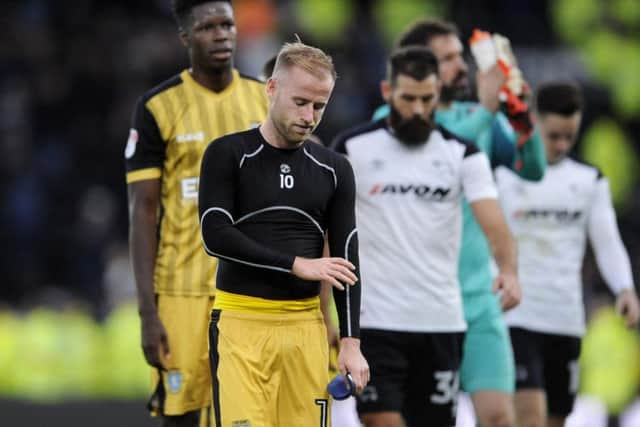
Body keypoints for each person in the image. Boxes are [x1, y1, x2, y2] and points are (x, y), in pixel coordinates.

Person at [333, 46, 519, 427]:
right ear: (387, 92)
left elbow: (495, 224)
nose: (418, 109)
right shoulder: (352, 149)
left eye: (426, 99)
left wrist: (510, 270)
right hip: (376, 322)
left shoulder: (462, 154)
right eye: (408, 99)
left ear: (438, 94)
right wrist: (327, 313)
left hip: (440, 322)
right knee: (379, 420)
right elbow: (328, 231)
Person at [373, 19, 546, 427]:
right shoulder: (393, 116)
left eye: (459, 56)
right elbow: (436, 153)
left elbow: (533, 169)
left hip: (477, 297)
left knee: (500, 417)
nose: (460, 66)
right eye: (446, 59)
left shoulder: (475, 115)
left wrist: (519, 111)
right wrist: (488, 110)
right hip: (418, 302)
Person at [198, 40, 369, 427]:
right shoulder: (227, 154)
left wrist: (350, 342)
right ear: (272, 89)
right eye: (300, 102)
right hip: (241, 324)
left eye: (319, 106)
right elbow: (214, 233)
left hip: (305, 330)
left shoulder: (334, 169)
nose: (310, 116)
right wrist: (295, 265)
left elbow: (346, 257)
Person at [125, 1, 269, 425]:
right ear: (186, 37)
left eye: (227, 24)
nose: (222, 34)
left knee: (246, 414)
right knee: (183, 416)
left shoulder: (264, 99)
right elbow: (143, 211)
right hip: (181, 293)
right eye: (208, 27)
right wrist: (148, 314)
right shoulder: (157, 108)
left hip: (249, 290)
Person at [495, 82, 640, 427]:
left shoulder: (588, 182)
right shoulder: (505, 178)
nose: (561, 144)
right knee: (527, 413)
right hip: (520, 315)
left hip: (565, 319)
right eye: (553, 135)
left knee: (556, 417)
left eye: (568, 136)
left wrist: (624, 288)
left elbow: (607, 242)